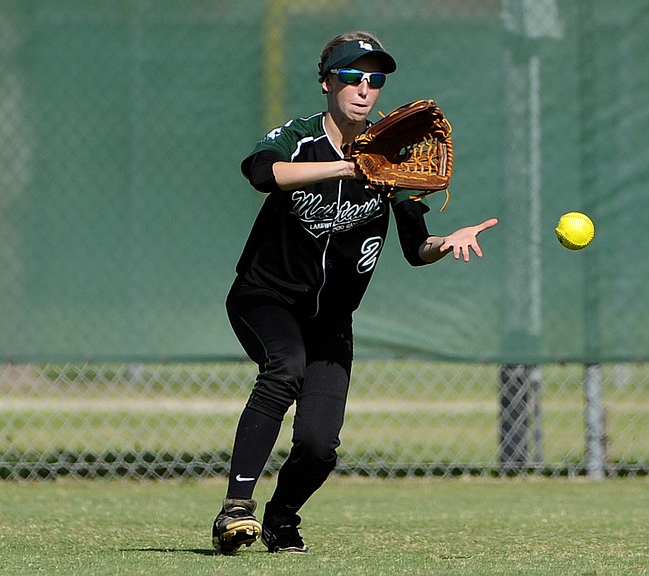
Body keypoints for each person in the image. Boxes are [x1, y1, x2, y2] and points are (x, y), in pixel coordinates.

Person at [211, 30, 498, 555]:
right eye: (351, 76)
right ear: (327, 83)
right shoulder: (300, 138)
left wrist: (446, 242)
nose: (364, 88)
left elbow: (415, 246)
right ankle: (235, 510)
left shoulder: (393, 156)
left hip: (330, 319)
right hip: (265, 297)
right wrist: (346, 166)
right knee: (284, 368)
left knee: (319, 447)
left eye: (375, 78)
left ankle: (280, 518)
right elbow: (259, 172)